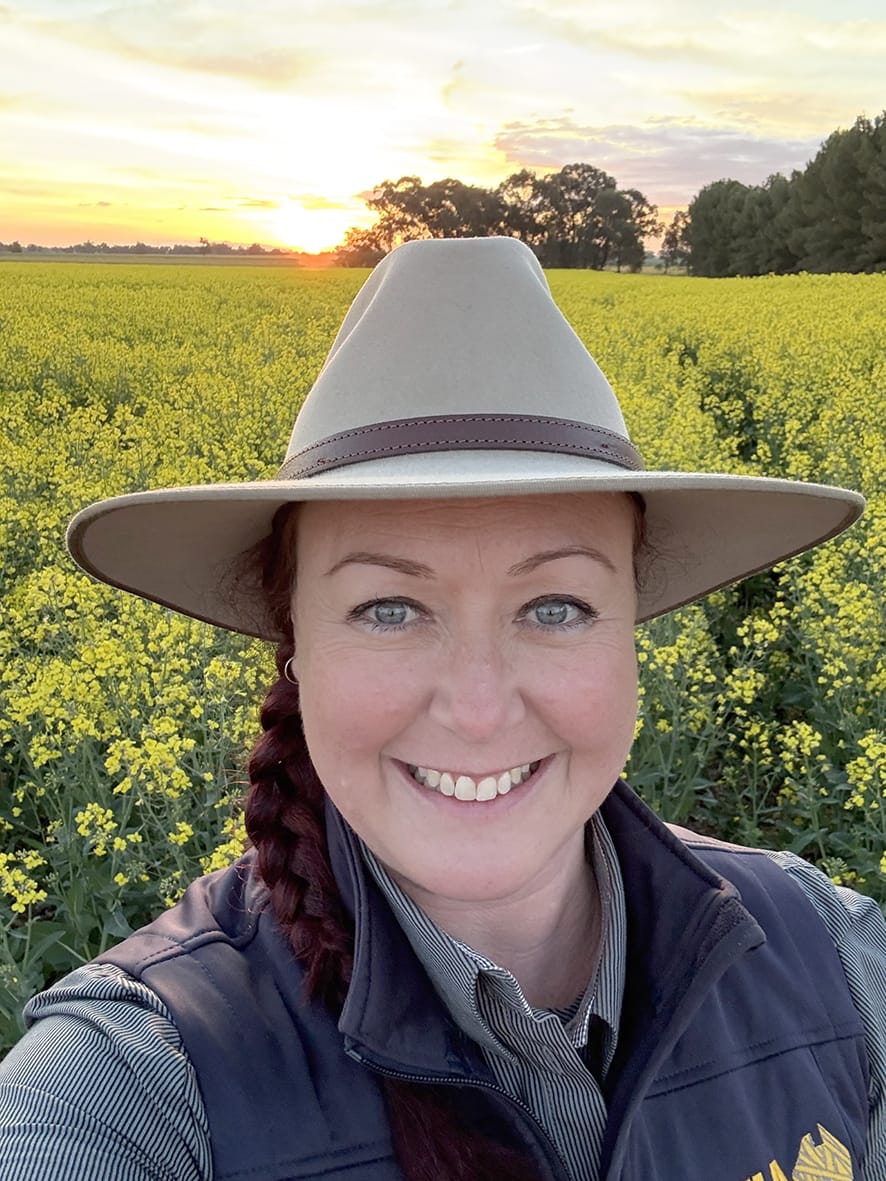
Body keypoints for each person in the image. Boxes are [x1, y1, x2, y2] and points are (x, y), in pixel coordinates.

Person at [1, 235, 884, 1181]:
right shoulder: (133, 1084)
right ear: (291, 643)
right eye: (389, 609)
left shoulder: (838, 968)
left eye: (557, 608)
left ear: (637, 631)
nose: (475, 709)